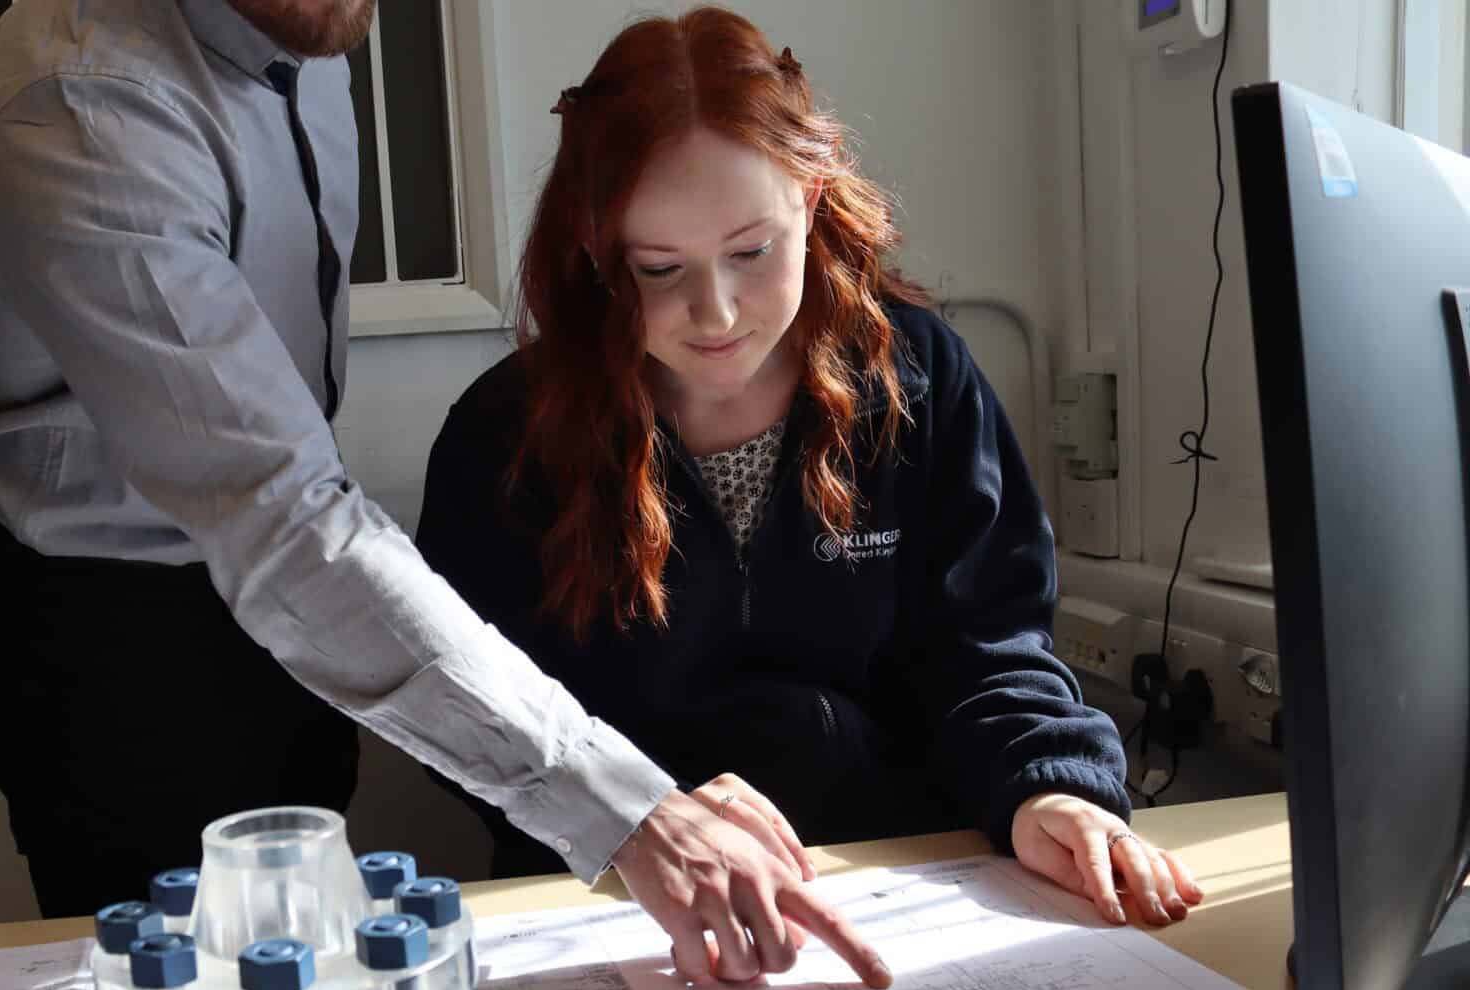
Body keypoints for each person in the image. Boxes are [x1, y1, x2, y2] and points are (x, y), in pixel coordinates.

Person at [0, 0, 887, 988]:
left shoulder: (303, 28)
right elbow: (281, 515)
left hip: (287, 600)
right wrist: (632, 810)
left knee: (299, 978)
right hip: (120, 625)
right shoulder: (87, 109)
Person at [416, 6, 1203, 928]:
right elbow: (467, 710)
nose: (715, 314)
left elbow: (987, 647)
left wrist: (1042, 785)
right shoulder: (507, 435)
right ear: (597, 250)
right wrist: (631, 814)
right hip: (613, 900)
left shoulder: (917, 377)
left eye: (752, 252)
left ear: (815, 198)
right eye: (659, 269)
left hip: (902, 884)